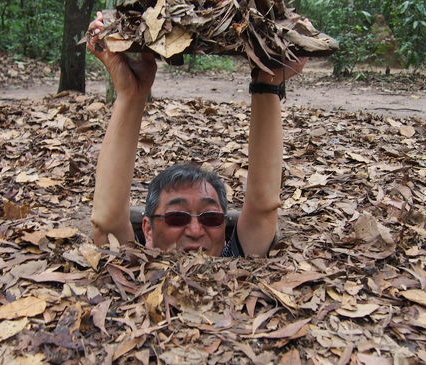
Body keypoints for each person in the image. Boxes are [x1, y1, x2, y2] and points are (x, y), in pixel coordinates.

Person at [86, 12, 306, 257]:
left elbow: (263, 207)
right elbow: (107, 222)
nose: (194, 230)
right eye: (176, 217)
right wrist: (131, 94)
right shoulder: (134, 265)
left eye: (211, 218)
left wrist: (268, 82)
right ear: (147, 229)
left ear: (224, 228)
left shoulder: (235, 259)